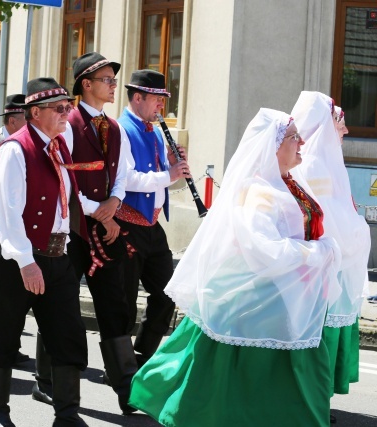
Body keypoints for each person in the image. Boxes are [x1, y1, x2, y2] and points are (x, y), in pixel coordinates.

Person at [128, 108, 342, 427]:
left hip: (288, 300)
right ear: (273, 146)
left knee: (291, 379)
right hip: (257, 301)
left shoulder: (288, 183)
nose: (302, 143)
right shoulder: (260, 193)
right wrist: (319, 252)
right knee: (223, 386)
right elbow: (264, 250)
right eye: (294, 137)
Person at [0, 77, 89, 427]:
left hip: (58, 258)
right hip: (20, 260)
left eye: (68, 107)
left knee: (66, 334)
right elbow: (7, 213)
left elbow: (65, 203)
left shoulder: (59, 147)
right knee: (4, 332)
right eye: (59, 109)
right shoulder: (15, 150)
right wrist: (27, 263)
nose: (66, 113)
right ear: (35, 112)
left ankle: (68, 414)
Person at [52, 52, 134, 415]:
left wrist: (115, 201)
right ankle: (47, 382)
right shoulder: (67, 122)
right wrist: (96, 210)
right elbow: (64, 176)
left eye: (114, 81)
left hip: (106, 228)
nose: (113, 85)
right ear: (86, 84)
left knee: (115, 307)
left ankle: (127, 389)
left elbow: (123, 173)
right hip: (75, 230)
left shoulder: (114, 127)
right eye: (107, 80)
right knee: (61, 306)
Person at [291, 92, 371, 423]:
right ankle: (311, 400)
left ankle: (316, 399)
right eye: (339, 120)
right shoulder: (312, 164)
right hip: (320, 266)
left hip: (332, 264)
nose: (345, 129)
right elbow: (325, 218)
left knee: (323, 335)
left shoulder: (325, 161)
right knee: (317, 336)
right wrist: (355, 234)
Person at [116, 70, 190, 366]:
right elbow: (128, 179)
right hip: (126, 225)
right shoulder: (120, 129)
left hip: (152, 225)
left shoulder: (157, 131)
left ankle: (142, 354)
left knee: (168, 292)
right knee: (123, 299)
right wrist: (168, 174)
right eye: (157, 99)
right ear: (138, 98)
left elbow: (161, 179)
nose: (162, 106)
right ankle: (119, 365)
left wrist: (173, 167)